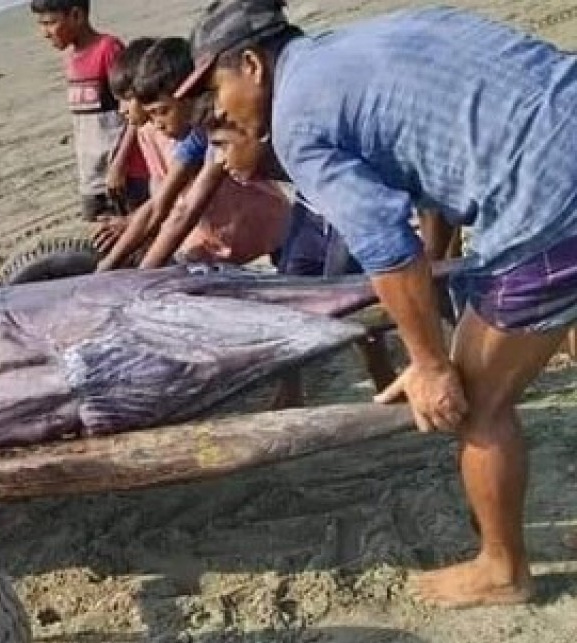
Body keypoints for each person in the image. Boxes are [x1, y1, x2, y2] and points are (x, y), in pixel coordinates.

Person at [182, 0, 577, 608]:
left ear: (253, 66)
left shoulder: (296, 118)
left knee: (477, 405)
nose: (217, 108)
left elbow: (386, 246)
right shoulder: (364, 45)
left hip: (550, 193)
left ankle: (503, 570)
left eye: (216, 87)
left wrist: (432, 364)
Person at [95, 36, 289, 273]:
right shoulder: (193, 138)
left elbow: (185, 211)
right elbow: (159, 205)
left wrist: (141, 277)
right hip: (237, 230)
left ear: (187, 95)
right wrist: (105, 269)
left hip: (272, 221)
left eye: (162, 112)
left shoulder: (221, 126)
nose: (158, 124)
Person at [30, 0, 149, 221]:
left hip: (124, 171)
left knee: (134, 233)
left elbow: (134, 111)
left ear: (76, 15)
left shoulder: (108, 49)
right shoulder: (69, 58)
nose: (45, 33)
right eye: (41, 24)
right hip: (92, 173)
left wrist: (119, 165)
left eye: (50, 23)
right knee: (99, 240)